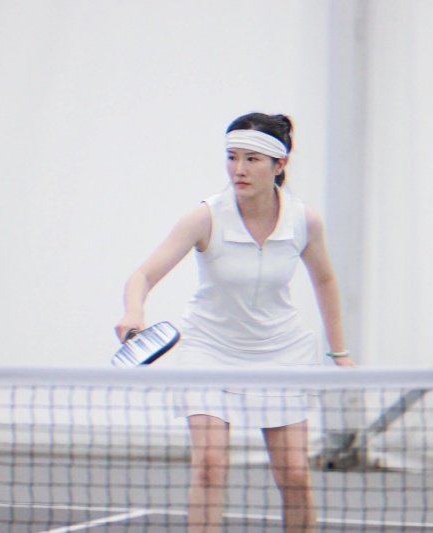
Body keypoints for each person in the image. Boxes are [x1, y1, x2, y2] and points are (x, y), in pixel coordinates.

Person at [115, 112, 354, 533]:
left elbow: (325, 280)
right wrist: (133, 312)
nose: (238, 169)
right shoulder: (205, 217)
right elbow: (143, 275)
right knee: (209, 467)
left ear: (279, 165)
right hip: (208, 348)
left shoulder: (304, 220)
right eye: (232, 157)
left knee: (295, 476)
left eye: (252, 159)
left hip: (281, 351)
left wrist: (340, 353)